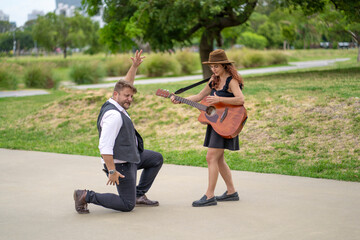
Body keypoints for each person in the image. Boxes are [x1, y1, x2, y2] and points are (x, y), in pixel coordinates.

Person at [74, 50, 163, 213]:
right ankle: (85, 195)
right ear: (116, 95)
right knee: (127, 205)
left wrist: (134, 66)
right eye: (126, 96)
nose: (129, 99)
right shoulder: (113, 115)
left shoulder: (115, 101)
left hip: (131, 156)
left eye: (131, 96)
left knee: (156, 158)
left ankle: (138, 194)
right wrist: (112, 170)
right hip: (120, 165)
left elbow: (125, 85)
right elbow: (104, 147)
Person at [171, 49, 244, 207]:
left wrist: (218, 98)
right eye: (211, 66)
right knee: (218, 159)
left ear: (224, 65)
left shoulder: (232, 81)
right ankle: (231, 192)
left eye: (216, 66)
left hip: (228, 122)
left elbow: (240, 99)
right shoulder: (214, 81)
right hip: (216, 123)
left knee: (211, 157)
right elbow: (198, 97)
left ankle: (209, 196)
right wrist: (180, 99)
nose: (214, 69)